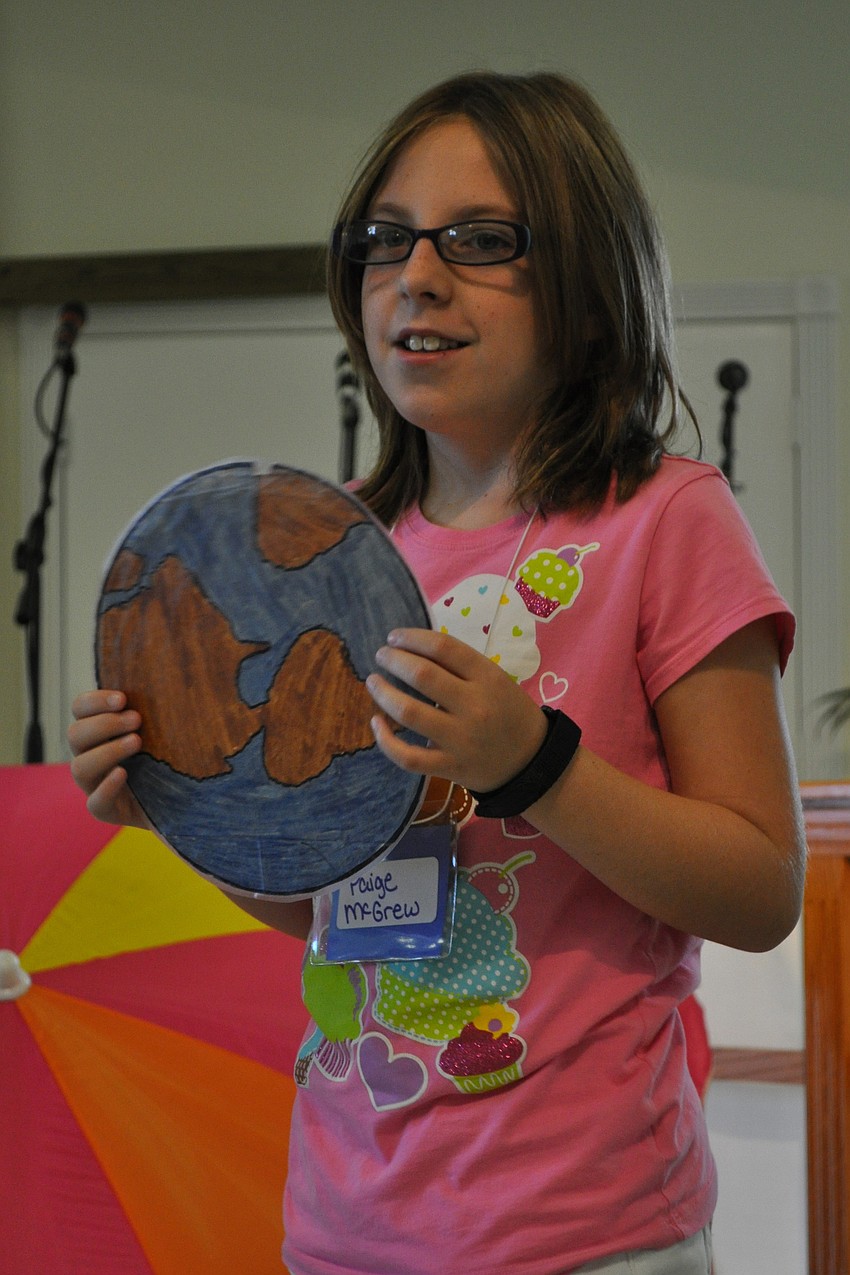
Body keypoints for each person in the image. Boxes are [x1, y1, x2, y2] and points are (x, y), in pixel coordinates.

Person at [68, 71, 805, 1275]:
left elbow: (759, 889)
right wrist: (184, 808)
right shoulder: (335, 544)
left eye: (479, 240)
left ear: (585, 283)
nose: (416, 274)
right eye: (385, 240)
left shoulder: (666, 521)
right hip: (347, 1224)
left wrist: (534, 764)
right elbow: (333, 910)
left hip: (587, 1230)